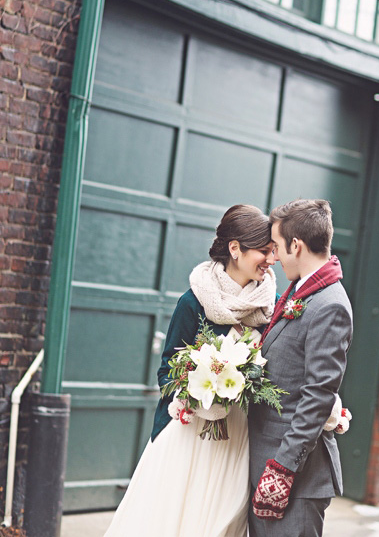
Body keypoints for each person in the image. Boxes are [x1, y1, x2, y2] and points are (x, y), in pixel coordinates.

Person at [104, 204, 276, 537]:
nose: (271, 259)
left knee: (222, 521)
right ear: (235, 249)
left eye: (273, 251)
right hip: (188, 434)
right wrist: (198, 396)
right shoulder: (194, 301)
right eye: (263, 251)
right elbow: (167, 370)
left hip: (239, 438)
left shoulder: (272, 305)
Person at [248, 199, 353, 537]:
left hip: (294, 478)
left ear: (296, 245)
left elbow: (319, 395)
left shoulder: (329, 305)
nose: (274, 257)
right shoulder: (301, 290)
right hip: (265, 462)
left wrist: (281, 471)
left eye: (277, 246)